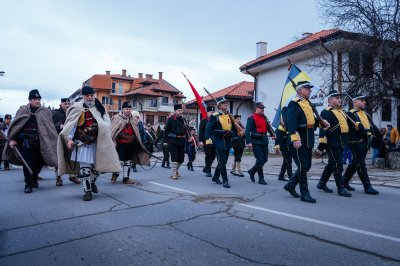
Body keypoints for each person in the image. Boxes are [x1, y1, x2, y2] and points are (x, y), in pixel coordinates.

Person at [57, 86, 120, 201]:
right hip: (83, 143)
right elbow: (71, 126)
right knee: (85, 168)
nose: (90, 98)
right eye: (87, 96)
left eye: (91, 95)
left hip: (98, 142)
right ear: (83, 96)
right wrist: (69, 139)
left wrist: (108, 137)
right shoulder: (77, 108)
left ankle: (91, 182)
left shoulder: (100, 108)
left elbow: (106, 124)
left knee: (99, 167)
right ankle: (87, 191)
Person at [3, 90, 58, 193]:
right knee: (27, 163)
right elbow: (16, 126)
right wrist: (13, 139)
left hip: (41, 143)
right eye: (35, 99)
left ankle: (34, 177)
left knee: (41, 161)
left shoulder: (44, 111)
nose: (37, 101)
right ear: (30, 100)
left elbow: (50, 128)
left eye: (39, 99)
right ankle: (28, 184)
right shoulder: (23, 110)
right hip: (26, 143)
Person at [283, 81, 330, 203]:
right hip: (299, 139)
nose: (310, 90)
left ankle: (291, 185)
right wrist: (295, 138)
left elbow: (312, 120)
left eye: (310, 88)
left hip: (308, 138)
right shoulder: (294, 104)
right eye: (307, 88)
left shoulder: (307, 103)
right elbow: (291, 122)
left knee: (307, 166)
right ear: (300, 91)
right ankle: (305, 193)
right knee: (303, 166)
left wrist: (322, 123)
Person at [316, 90, 352, 197]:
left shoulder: (341, 112)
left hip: (342, 141)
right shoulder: (326, 112)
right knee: (337, 163)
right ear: (330, 100)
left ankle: (321, 183)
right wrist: (322, 141)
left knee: (332, 163)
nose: (340, 100)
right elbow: (323, 127)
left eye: (340, 98)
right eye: (337, 98)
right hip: (332, 141)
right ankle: (340, 188)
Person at [342, 95, 379, 195]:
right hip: (357, 141)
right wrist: (359, 126)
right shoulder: (350, 114)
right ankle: (367, 186)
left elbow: (371, 126)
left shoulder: (365, 114)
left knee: (355, 163)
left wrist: (377, 132)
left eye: (364, 101)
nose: (364, 102)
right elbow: (355, 126)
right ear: (355, 102)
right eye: (362, 100)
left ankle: (344, 181)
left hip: (366, 141)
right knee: (361, 164)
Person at [111, 102, 149, 184]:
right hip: (120, 143)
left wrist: (138, 141)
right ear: (123, 109)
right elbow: (113, 131)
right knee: (121, 161)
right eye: (126, 109)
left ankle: (126, 178)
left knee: (128, 161)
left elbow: (137, 131)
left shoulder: (134, 119)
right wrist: (114, 141)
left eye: (129, 109)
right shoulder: (117, 118)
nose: (128, 110)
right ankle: (115, 175)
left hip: (131, 143)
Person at [205, 97, 240, 188]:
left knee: (223, 161)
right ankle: (225, 180)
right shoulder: (215, 116)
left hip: (228, 141)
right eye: (224, 103)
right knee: (223, 161)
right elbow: (209, 130)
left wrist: (233, 133)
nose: (226, 104)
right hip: (218, 141)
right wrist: (209, 140)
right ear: (219, 106)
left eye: (226, 103)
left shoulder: (229, 116)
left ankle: (215, 177)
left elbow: (233, 128)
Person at [52, 98, 81, 186]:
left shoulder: (73, 113)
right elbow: (50, 126)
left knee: (72, 157)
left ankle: (72, 176)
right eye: (65, 103)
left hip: (71, 139)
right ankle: (58, 178)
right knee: (59, 159)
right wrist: (59, 126)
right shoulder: (55, 113)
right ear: (60, 105)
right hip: (59, 139)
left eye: (69, 103)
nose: (67, 105)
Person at [245, 102, 275, 185]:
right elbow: (247, 131)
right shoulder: (251, 118)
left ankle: (252, 171)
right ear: (256, 108)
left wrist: (273, 134)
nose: (262, 110)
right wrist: (248, 142)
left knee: (265, 159)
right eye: (261, 108)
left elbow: (268, 127)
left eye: (263, 108)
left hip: (264, 140)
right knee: (260, 160)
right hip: (256, 141)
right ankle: (261, 178)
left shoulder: (264, 117)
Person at [164, 104, 186, 179]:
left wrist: (189, 138)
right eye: (179, 110)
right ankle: (174, 174)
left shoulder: (183, 119)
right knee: (174, 157)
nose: (180, 112)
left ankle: (176, 170)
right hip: (172, 140)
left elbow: (186, 131)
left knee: (181, 158)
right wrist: (165, 141)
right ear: (175, 111)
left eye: (181, 110)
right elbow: (166, 131)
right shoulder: (170, 119)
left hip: (181, 140)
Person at [198, 106, 216, 177]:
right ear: (207, 113)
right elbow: (200, 131)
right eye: (210, 112)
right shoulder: (203, 121)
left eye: (213, 112)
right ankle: (208, 171)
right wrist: (200, 141)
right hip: (206, 141)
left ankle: (206, 167)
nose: (212, 113)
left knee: (213, 156)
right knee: (208, 155)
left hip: (214, 140)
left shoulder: (216, 120)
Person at [274, 107, 291, 181]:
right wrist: (277, 147)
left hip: (288, 145)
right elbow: (277, 138)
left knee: (286, 161)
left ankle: (281, 175)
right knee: (288, 160)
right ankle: (291, 176)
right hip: (283, 145)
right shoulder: (280, 127)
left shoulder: (286, 124)